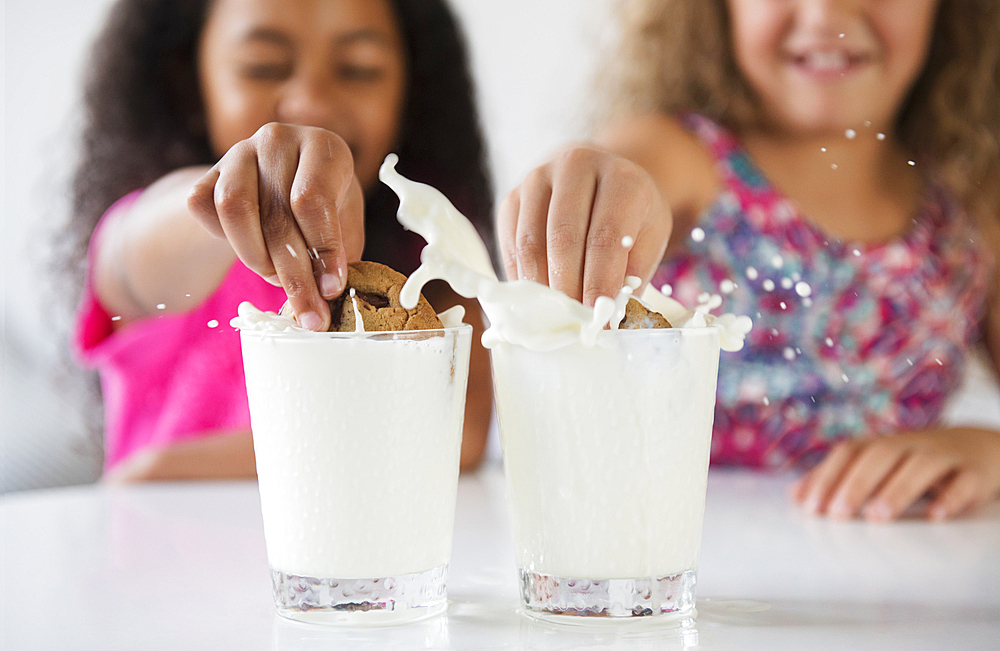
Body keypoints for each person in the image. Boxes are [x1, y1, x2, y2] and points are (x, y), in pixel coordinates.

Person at [498, 0, 1000, 521]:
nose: (824, 14)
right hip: (675, 565)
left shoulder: (974, 210)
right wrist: (595, 182)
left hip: (896, 574)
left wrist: (989, 452)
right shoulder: (683, 155)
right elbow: (629, 174)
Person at [68, 0, 494, 481]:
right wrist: (229, 191)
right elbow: (133, 252)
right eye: (262, 67)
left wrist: (165, 467)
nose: (310, 104)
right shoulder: (162, 236)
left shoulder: (436, 261)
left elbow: (457, 433)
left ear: (413, 94)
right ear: (188, 85)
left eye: (359, 69)